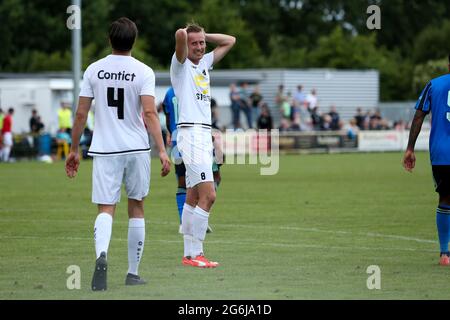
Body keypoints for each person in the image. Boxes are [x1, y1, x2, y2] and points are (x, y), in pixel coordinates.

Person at [65, 17, 171, 291]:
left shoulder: (93, 70)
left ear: (109, 40)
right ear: (133, 41)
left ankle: (102, 254)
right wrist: (162, 150)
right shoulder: (144, 71)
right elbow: (149, 113)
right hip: (136, 148)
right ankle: (132, 273)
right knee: (136, 206)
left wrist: (74, 149)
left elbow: (80, 113)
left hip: (105, 148)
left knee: (105, 208)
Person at [170, 22, 235, 268]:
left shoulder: (205, 63)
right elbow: (179, 35)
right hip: (191, 134)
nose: (199, 47)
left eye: (202, 43)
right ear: (186, 45)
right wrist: (187, 33)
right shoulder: (180, 65)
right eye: (194, 43)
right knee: (210, 195)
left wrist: (204, 34)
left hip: (201, 134)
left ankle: (189, 254)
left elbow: (230, 40)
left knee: (193, 196)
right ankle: (196, 252)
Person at [403, 54, 450, 266]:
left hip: (442, 153)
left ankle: (444, 254)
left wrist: (410, 148)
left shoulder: (434, 85)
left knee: (446, 199)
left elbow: (419, 116)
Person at [162, 87, 217, 234]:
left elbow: (168, 117)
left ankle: (186, 222)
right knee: (207, 180)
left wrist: (170, 132)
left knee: (185, 182)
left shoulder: (169, 93)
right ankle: (197, 221)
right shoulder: (194, 86)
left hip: (177, 140)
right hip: (196, 139)